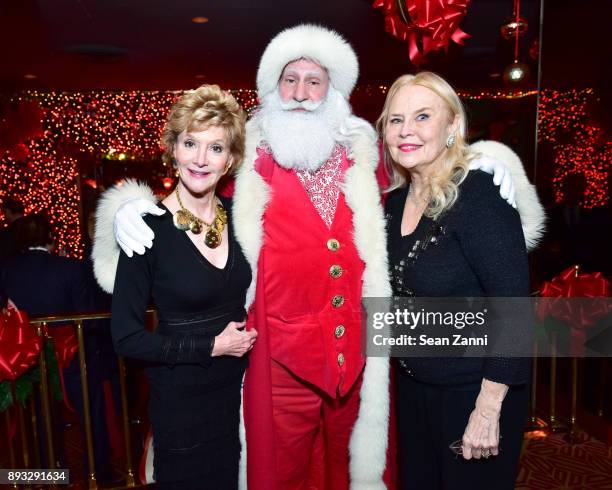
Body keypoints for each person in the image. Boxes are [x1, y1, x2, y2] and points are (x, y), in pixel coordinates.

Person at [93, 25, 538, 490]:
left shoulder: (368, 157)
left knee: (356, 474)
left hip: (363, 360)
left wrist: (488, 160)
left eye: (314, 81)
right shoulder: (243, 164)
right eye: (290, 79)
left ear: (333, 91)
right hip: (280, 361)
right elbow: (194, 192)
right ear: (272, 88)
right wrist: (126, 208)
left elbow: (434, 165)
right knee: (285, 475)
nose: (302, 93)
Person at [378, 72, 544, 490]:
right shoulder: (395, 201)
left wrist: (487, 410)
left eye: (422, 116)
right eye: (395, 120)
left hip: (475, 393)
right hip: (415, 390)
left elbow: (514, 311)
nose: (406, 131)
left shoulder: (480, 196)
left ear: (453, 126)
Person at [107, 84, 257, 489]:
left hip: (239, 399)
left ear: (231, 159)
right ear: (173, 149)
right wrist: (211, 346)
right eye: (190, 143)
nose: (201, 159)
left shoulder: (242, 218)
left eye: (216, 147)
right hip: (182, 407)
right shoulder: (145, 228)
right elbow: (126, 338)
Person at [0, 213, 116, 481]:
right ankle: (100, 472)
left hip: (30, 357)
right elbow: (89, 317)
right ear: (51, 238)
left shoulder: (7, 270)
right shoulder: (71, 268)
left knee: (42, 417)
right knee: (91, 412)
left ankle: (49, 474)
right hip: (74, 354)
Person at [0, 197, 25, 261]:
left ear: (8, 211)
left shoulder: (7, 232)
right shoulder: (34, 227)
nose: (4, 215)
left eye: (4, 212)